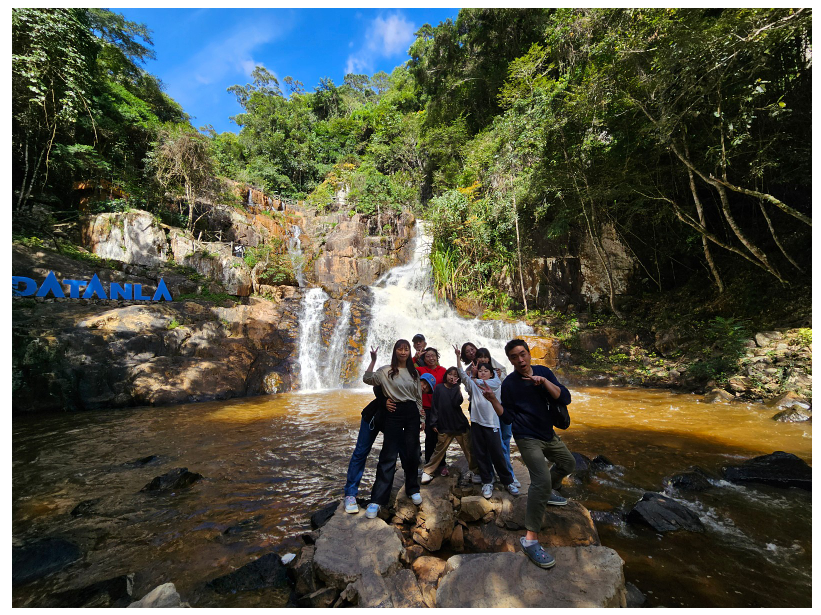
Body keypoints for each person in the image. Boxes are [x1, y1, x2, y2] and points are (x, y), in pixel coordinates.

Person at [481, 338, 576, 570]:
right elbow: (507, 418)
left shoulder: (544, 372)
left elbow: (565, 398)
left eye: (523, 354)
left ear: (529, 354)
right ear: (510, 360)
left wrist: (544, 382)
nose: (520, 360)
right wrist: (494, 400)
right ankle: (530, 539)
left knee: (568, 464)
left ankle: (548, 492)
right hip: (526, 437)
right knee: (540, 480)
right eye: (514, 357)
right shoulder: (511, 384)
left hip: (548, 433)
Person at [362, 340, 425, 519]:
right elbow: (367, 379)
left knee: (413, 452)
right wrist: (373, 360)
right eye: (400, 348)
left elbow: (418, 397)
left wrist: (422, 418)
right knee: (388, 455)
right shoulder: (385, 371)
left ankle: (413, 488)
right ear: (395, 351)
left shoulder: (414, 372)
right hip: (394, 412)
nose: (403, 352)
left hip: (411, 412)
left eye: (406, 349)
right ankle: (377, 500)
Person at [454, 344, 519, 500]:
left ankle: (508, 481)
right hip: (477, 423)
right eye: (480, 371)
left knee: (497, 453)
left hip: (492, 424)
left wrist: (479, 376)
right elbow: (462, 375)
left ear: (491, 374)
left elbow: (495, 379)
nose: (483, 373)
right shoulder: (473, 384)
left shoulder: (495, 384)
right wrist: (458, 357)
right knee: (481, 453)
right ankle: (487, 481)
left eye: (486, 371)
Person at [420, 366, 479, 484]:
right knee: (439, 450)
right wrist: (433, 423)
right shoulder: (439, 388)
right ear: (446, 375)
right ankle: (428, 471)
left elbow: (457, 402)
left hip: (459, 425)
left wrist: (457, 387)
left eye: (456, 376)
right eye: (450, 374)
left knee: (469, 449)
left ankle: (476, 472)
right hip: (444, 425)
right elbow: (435, 407)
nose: (452, 377)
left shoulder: (457, 389)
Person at [473, 348, 519, 489]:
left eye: (485, 356)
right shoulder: (474, 372)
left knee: (501, 446)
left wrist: (497, 377)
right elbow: (469, 384)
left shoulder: (498, 370)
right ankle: (489, 477)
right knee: (484, 448)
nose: (482, 359)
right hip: (481, 415)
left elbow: (501, 385)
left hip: (501, 411)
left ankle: (509, 477)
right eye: (479, 357)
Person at [342, 386, 389, 514]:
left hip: (392, 421)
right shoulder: (388, 370)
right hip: (372, 416)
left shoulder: (411, 372)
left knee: (388, 457)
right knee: (360, 453)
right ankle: (350, 494)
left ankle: (378, 498)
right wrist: (384, 401)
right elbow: (376, 386)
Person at [417, 347, 448, 475]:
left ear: (437, 357)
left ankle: (442, 464)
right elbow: (406, 370)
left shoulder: (443, 371)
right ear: (424, 359)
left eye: (433, 355)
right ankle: (429, 464)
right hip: (426, 409)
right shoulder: (420, 370)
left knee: (442, 438)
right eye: (427, 356)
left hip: (440, 410)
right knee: (430, 438)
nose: (431, 358)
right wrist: (415, 358)